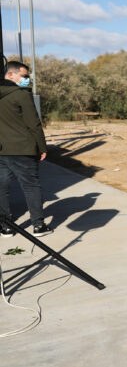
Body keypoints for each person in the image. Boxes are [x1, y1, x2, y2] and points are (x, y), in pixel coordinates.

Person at [0, 61, 52, 237]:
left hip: (2, 150)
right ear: (10, 75)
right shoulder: (21, 95)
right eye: (23, 76)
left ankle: (6, 226)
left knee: (2, 187)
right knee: (31, 186)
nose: (27, 79)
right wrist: (42, 147)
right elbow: (34, 124)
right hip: (23, 149)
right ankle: (38, 225)